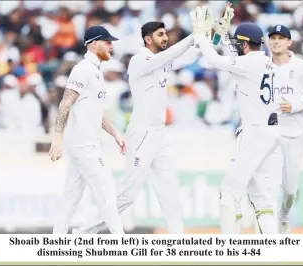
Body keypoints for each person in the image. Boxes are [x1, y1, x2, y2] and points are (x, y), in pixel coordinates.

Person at [73, 21, 205, 234]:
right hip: (142, 134)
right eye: (161, 35)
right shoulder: (139, 60)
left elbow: (190, 56)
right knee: (128, 194)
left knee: (169, 189)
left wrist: (210, 37)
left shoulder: (161, 62)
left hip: (159, 134)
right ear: (148, 39)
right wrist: (194, 35)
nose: (165, 38)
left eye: (166, 34)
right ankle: (85, 231)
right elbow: (170, 55)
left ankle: (178, 241)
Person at [191, 4, 283, 234]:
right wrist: (224, 36)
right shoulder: (266, 62)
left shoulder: (248, 63)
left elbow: (214, 60)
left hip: (253, 133)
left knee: (228, 195)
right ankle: (270, 253)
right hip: (271, 134)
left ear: (244, 44)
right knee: (262, 200)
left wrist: (203, 36)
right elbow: (237, 60)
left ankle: (229, 249)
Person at [49, 25, 127, 234]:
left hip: (86, 144)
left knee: (70, 197)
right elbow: (65, 103)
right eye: (107, 42)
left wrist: (115, 134)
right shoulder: (83, 69)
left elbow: (95, 112)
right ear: (93, 44)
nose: (111, 46)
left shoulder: (95, 71)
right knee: (107, 194)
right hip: (84, 145)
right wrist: (58, 137)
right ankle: (123, 246)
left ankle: (56, 244)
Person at [267, 25, 303, 233]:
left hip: (293, 135)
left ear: (289, 42)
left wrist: (295, 106)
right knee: (268, 188)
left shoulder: (301, 67)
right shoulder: (264, 67)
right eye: (273, 37)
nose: (276, 41)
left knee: (290, 190)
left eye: (281, 38)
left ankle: (284, 215)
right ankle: (269, 235)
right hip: (270, 135)